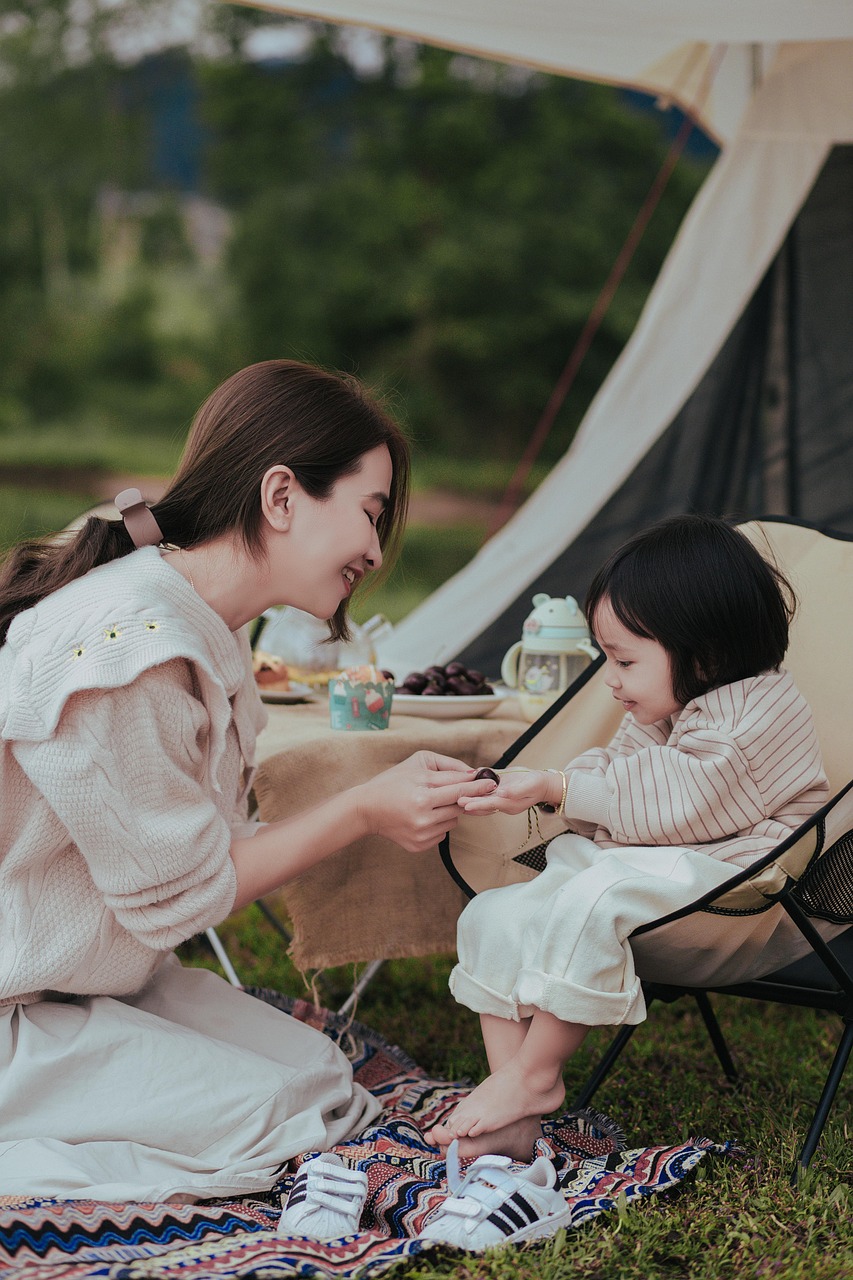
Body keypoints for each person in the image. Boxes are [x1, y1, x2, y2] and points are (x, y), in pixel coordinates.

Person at [0, 358, 491, 1203]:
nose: (375, 550)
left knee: (326, 1080)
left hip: (82, 986)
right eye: (369, 515)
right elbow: (183, 900)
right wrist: (362, 808)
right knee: (285, 1118)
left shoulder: (203, 633)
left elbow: (200, 849)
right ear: (281, 496)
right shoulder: (127, 654)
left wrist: (382, 806)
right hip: (17, 1008)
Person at [426, 514, 833, 1161]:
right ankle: (510, 1094)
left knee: (596, 895)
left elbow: (683, 798)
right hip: (659, 865)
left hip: (739, 884)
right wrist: (547, 783)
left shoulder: (759, 709)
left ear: (702, 652)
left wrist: (557, 786)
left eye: (622, 660)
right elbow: (616, 772)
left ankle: (535, 1077)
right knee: (495, 912)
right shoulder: (669, 702)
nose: (609, 678)